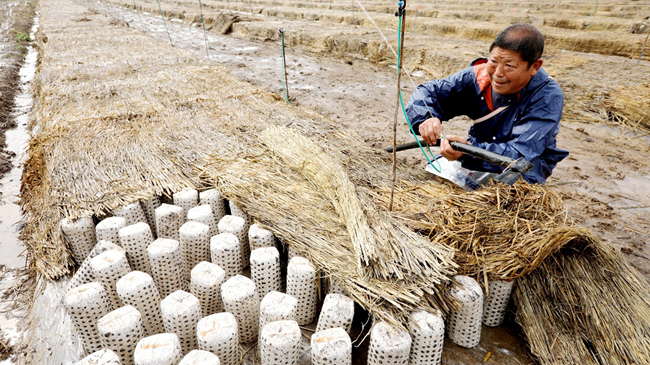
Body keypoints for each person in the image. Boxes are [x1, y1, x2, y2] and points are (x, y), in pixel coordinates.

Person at [406, 23, 568, 184]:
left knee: (506, 198)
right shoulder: (478, 76)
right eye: (494, 61)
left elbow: (521, 153)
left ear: (535, 66)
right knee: (435, 174)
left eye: (509, 66)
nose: (498, 74)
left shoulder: (547, 96)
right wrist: (426, 118)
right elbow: (428, 92)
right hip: (475, 151)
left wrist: (467, 151)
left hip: (523, 167)